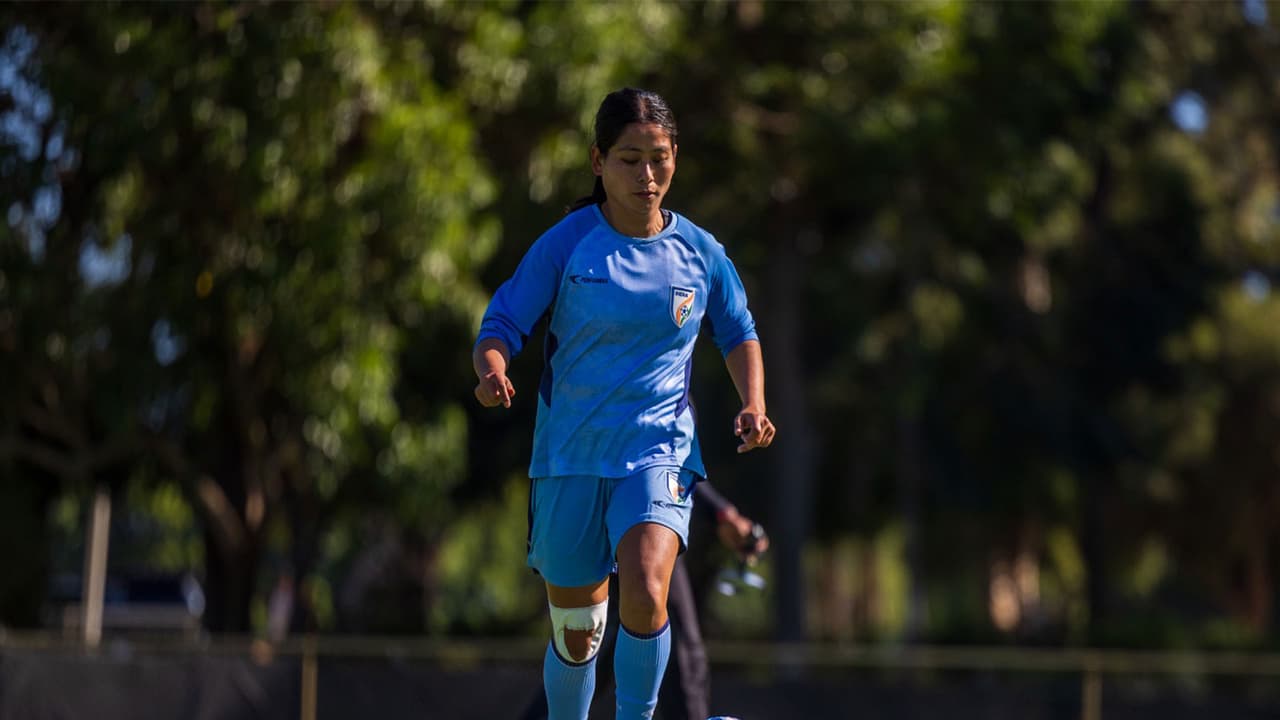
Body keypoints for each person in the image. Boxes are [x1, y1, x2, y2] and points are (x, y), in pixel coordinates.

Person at [472, 86, 775, 720]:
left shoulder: (700, 253)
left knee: (644, 586)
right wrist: (493, 369)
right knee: (578, 630)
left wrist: (753, 402)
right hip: (570, 459)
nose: (646, 175)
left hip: (657, 453)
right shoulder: (566, 244)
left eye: (659, 159)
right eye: (629, 159)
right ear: (597, 162)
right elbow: (502, 325)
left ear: (675, 159)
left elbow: (739, 330)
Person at [518, 481, 769, 720]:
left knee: (619, 637)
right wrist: (722, 513)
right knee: (662, 632)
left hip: (633, 503)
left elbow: (670, 445)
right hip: (621, 503)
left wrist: (721, 512)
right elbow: (663, 445)